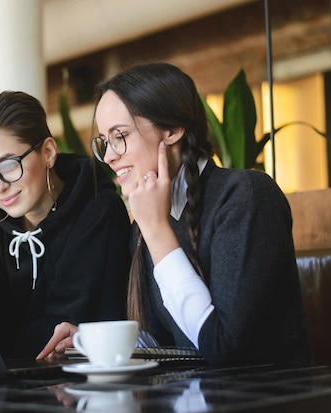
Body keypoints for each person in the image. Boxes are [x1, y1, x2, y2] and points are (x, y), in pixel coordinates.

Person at [39, 62, 311, 366]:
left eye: (120, 135)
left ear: (172, 129)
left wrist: (156, 230)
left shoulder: (245, 196)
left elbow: (221, 347)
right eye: (105, 141)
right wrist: (87, 340)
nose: (109, 156)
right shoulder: (149, 221)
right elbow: (168, 343)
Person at [0, 90, 131, 359]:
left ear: (48, 152)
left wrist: (1, 336)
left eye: (9, 165)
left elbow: (65, 334)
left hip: (85, 388)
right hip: (12, 387)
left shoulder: (98, 211)